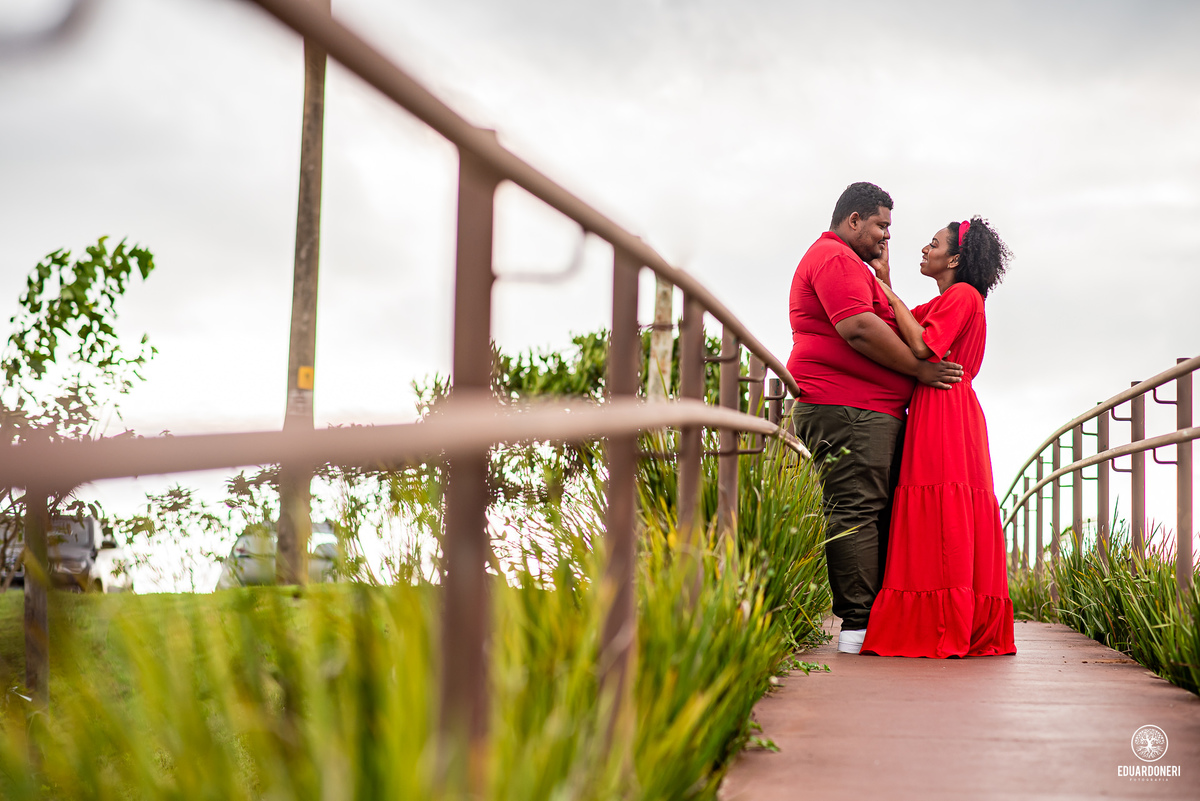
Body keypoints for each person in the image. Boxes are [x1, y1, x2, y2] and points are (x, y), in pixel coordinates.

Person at [787, 182, 963, 655]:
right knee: (857, 508)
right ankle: (857, 628)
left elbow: (886, 320)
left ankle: (873, 621)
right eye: (881, 225)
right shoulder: (834, 258)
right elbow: (859, 329)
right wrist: (920, 371)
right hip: (847, 406)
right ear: (853, 220)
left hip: (866, 408)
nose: (886, 236)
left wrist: (883, 281)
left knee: (874, 510)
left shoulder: (854, 267)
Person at [861, 217, 1017, 658]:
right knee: (945, 508)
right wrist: (885, 281)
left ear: (954, 259)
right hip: (947, 408)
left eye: (933, 245)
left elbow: (923, 346)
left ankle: (943, 619)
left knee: (942, 508)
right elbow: (902, 323)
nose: (924, 251)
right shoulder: (953, 299)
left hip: (945, 411)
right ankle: (949, 613)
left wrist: (886, 289)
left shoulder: (963, 295)